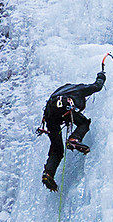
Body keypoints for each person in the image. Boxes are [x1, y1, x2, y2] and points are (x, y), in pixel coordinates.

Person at [37, 54, 109, 191]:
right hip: (65, 107)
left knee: (56, 150)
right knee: (84, 123)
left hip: (50, 115)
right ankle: (74, 139)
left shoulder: (58, 91)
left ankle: (48, 173)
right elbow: (97, 86)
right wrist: (101, 76)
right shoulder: (79, 88)